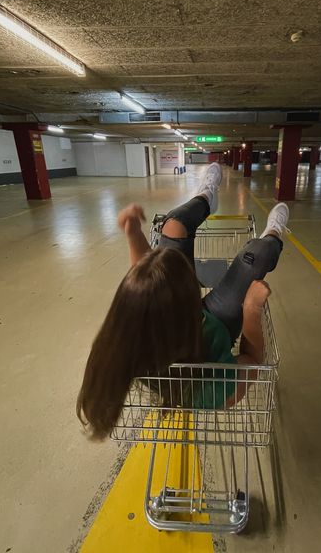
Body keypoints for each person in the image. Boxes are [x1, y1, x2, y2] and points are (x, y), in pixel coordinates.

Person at [77, 163, 289, 440]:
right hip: (219, 324)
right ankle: (274, 233)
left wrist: (133, 234)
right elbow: (252, 361)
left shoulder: (134, 328)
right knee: (256, 256)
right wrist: (251, 310)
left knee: (174, 226)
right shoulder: (205, 390)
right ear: (188, 300)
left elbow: (146, 282)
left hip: (182, 322)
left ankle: (206, 196)